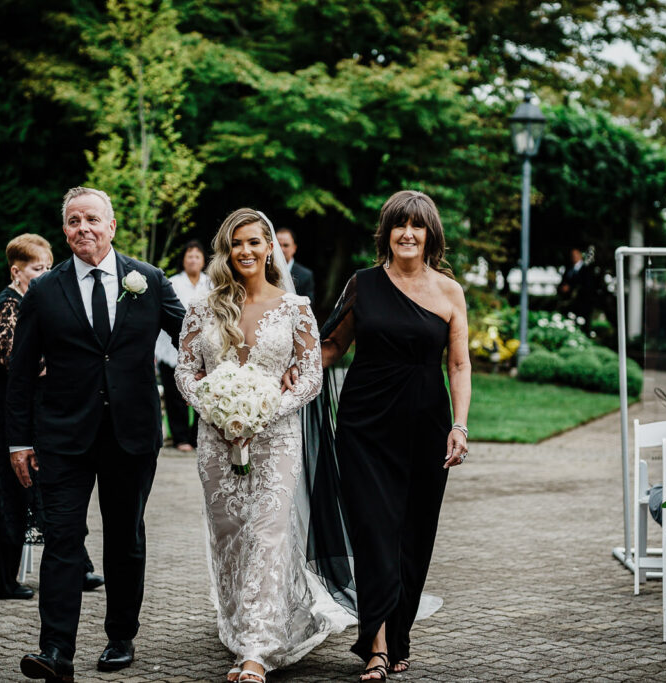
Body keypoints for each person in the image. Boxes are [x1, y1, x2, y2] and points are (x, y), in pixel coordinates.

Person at [7, 187, 185, 681]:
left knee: (125, 537)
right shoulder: (45, 290)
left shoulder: (146, 280)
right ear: (64, 230)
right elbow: (20, 373)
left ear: (110, 226)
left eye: (92, 219)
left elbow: (192, 337)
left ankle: (120, 636)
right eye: (72, 220)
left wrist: (234, 374)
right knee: (63, 539)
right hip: (62, 436)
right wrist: (18, 440)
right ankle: (56, 651)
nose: (82, 227)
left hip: (131, 435)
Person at [174, 208, 343, 683]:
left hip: (277, 436)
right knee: (228, 533)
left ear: (270, 248)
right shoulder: (203, 308)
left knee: (269, 534)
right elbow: (185, 371)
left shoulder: (296, 308)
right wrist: (217, 411)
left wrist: (259, 413)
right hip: (216, 437)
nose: (245, 251)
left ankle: (256, 650)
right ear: (225, 251)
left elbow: (310, 376)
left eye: (253, 242)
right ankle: (237, 623)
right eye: (235, 244)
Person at [318, 190, 471, 680]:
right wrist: (274, 378)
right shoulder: (362, 284)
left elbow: (459, 363)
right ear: (386, 233)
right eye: (399, 225)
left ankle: (398, 636)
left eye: (417, 226)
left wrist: (460, 425)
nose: (408, 233)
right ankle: (377, 646)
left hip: (426, 427)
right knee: (374, 531)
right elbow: (330, 347)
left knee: (413, 535)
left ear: (430, 235)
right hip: (364, 427)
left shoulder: (450, 292)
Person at [0, 234, 101, 599]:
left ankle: (77, 566)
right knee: (10, 495)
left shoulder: (33, 303)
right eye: (37, 269)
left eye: (48, 267)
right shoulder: (7, 306)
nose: (45, 275)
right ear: (16, 271)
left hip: (33, 414)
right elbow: (17, 363)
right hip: (2, 417)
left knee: (48, 491)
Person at [155, 240, 211, 451]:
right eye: (189, 255)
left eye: (197, 255)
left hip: (205, 347)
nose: (193, 259)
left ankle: (198, 436)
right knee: (175, 393)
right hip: (172, 348)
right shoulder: (172, 282)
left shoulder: (211, 283)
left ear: (203, 260)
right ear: (184, 260)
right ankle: (180, 438)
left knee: (202, 391)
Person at [276, 227, 315, 301]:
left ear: (294, 248)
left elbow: (309, 306)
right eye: (278, 245)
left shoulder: (305, 275)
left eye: (286, 245)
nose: (281, 249)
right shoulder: (264, 271)